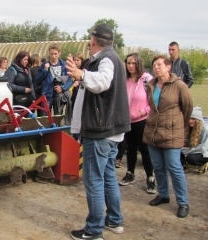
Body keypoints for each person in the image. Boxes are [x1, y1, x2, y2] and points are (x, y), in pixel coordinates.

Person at [67, 24, 130, 240]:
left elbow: (102, 83)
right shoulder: (114, 58)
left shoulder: (106, 60)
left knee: (93, 179)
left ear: (94, 41)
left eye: (89, 41)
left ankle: (94, 230)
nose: (88, 45)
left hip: (101, 131)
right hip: (111, 131)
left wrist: (81, 73)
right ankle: (114, 219)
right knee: (108, 176)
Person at [143, 55, 193, 218]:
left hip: (171, 133)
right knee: (158, 166)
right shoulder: (151, 85)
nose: (156, 68)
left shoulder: (179, 85)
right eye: (154, 65)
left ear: (168, 67)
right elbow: (151, 107)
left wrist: (178, 127)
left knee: (174, 168)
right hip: (153, 132)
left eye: (159, 65)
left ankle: (183, 202)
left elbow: (187, 109)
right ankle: (163, 195)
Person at [118, 53, 156, 194]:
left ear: (139, 63)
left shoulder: (148, 80)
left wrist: (140, 113)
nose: (131, 66)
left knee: (145, 150)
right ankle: (130, 173)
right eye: (128, 63)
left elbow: (152, 103)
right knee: (131, 148)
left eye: (133, 63)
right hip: (127, 121)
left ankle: (150, 178)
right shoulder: (125, 80)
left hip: (142, 121)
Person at [35, 43, 73, 116]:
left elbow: (70, 80)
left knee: (57, 119)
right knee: (44, 119)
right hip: (47, 96)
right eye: (51, 54)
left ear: (59, 53)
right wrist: (45, 70)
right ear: (49, 53)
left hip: (59, 95)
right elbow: (37, 80)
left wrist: (62, 88)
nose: (53, 56)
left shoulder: (64, 65)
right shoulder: (44, 65)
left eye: (55, 54)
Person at [181, 106, 208, 174]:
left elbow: (203, 148)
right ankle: (183, 164)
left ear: (198, 120)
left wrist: (188, 151)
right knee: (177, 148)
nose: (190, 121)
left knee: (191, 159)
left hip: (207, 151)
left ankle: (203, 164)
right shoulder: (191, 126)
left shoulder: (207, 130)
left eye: (193, 119)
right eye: (189, 118)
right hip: (196, 148)